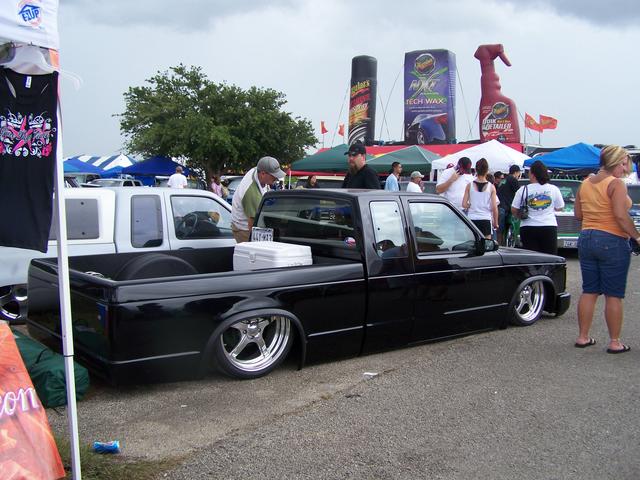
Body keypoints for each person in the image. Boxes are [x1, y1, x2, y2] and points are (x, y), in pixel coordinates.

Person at [574, 145, 640, 353]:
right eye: (623, 164)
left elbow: (578, 215)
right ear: (614, 162)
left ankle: (583, 337)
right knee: (613, 294)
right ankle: (614, 342)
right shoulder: (616, 184)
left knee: (590, 290)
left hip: (586, 237)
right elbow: (621, 215)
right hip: (611, 239)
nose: (625, 168)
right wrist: (637, 236)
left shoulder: (585, 183)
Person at [510, 160, 564, 255]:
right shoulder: (553, 189)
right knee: (550, 257)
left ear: (533, 175)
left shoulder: (523, 189)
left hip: (528, 227)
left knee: (531, 258)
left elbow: (514, 209)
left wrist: (520, 216)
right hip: (548, 226)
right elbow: (560, 207)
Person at [231, 156, 285, 243]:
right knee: (253, 250)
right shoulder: (251, 192)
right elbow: (252, 224)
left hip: (249, 221)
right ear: (263, 174)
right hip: (244, 229)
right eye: (274, 176)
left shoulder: (259, 170)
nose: (276, 178)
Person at [462, 158, 498, 239]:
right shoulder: (491, 187)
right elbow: (494, 207)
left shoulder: (469, 185)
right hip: (485, 219)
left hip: (472, 219)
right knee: (486, 244)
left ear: (476, 170)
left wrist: (470, 205)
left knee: (473, 243)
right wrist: (496, 222)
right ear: (487, 171)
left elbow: (464, 204)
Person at [497, 164, 522, 245]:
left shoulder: (503, 180)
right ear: (516, 172)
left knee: (500, 230)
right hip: (506, 207)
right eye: (519, 173)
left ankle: (499, 245)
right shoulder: (513, 180)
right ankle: (502, 247)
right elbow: (519, 194)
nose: (519, 175)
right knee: (505, 229)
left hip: (499, 207)